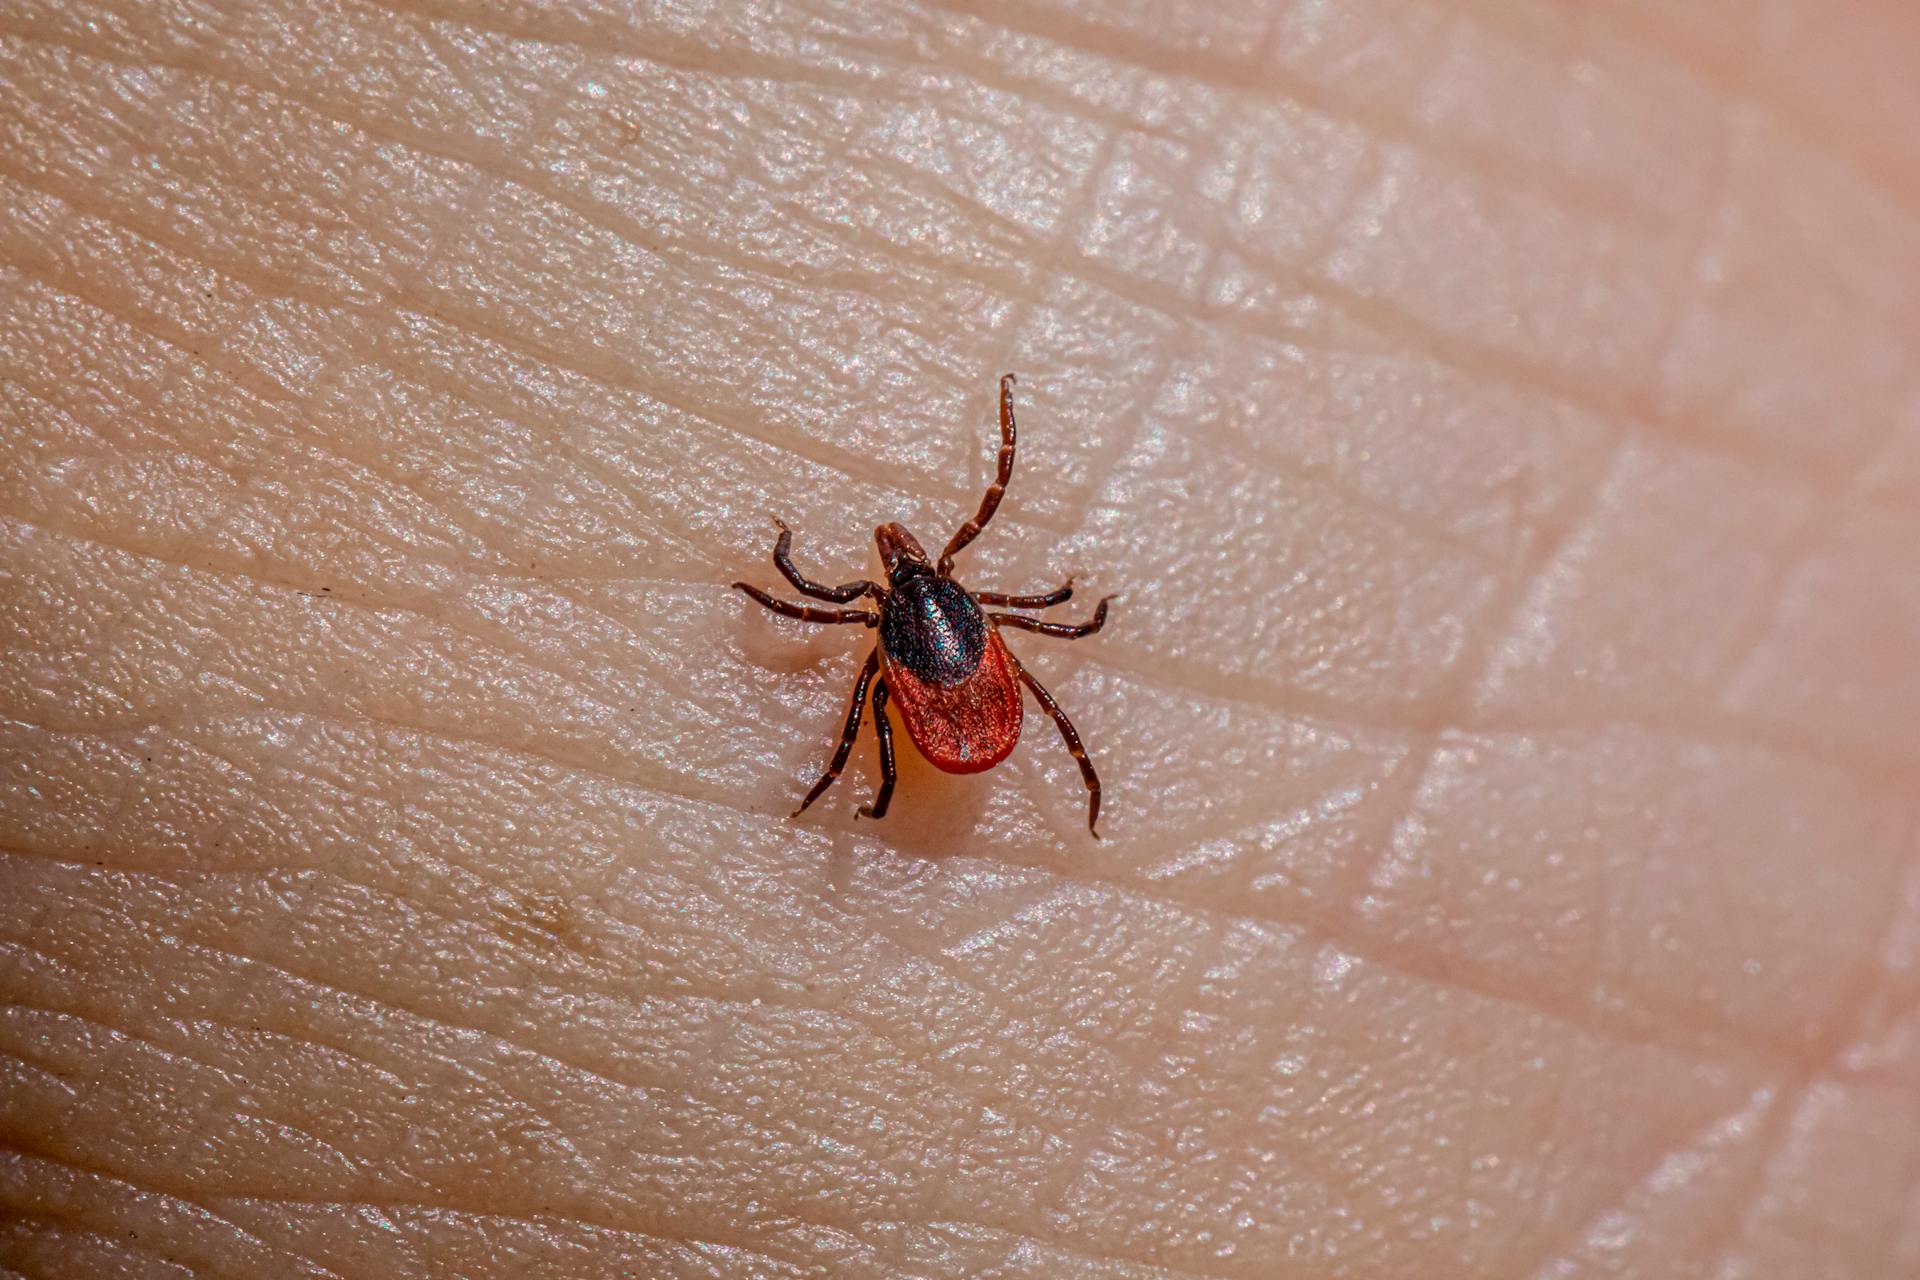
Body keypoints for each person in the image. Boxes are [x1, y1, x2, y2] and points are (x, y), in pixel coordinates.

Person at [3, 3, 1916, 1274]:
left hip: (959, 750)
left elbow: (861, 624)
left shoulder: (907, 627)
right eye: (932, 616)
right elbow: (976, 608)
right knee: (1005, 711)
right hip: (987, 743)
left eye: (931, 610)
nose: (929, 607)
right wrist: (953, 685)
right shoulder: (972, 617)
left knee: (912, 724)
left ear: (937, 627)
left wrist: (856, 694)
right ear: (958, 631)